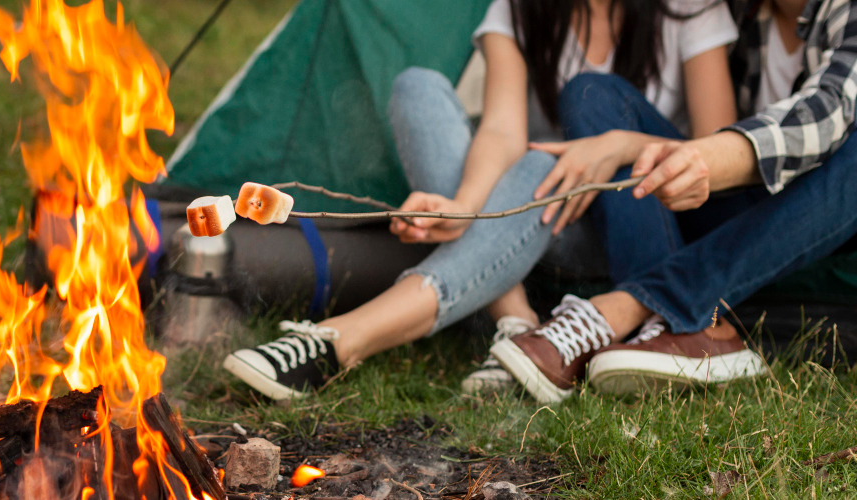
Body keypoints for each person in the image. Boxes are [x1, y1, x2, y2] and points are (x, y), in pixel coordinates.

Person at [222, 0, 740, 400]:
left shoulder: (690, 8)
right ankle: (518, 323)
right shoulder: (521, 8)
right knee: (419, 88)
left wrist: (617, 146)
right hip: (519, 214)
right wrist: (463, 205)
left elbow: (726, 151)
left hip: (611, 226)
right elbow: (501, 130)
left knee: (543, 164)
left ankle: (343, 338)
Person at [491, 0, 857, 403]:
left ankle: (631, 307)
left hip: (826, 213)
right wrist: (625, 144)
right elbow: (711, 146)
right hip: (734, 203)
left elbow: (828, 113)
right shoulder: (740, 12)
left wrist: (705, 158)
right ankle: (683, 335)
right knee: (592, 93)